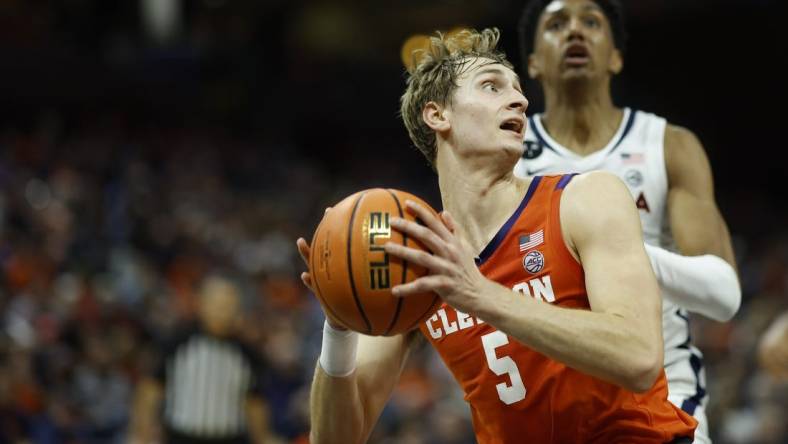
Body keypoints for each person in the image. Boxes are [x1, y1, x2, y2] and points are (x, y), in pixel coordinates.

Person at [297, 28, 696, 443]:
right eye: (491, 86)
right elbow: (335, 439)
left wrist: (479, 294)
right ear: (438, 116)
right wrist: (339, 324)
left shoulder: (585, 198)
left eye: (519, 90)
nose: (521, 101)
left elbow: (639, 357)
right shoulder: (417, 257)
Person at [513, 1, 741, 441]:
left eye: (591, 23)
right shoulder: (507, 152)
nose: (575, 32)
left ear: (615, 56)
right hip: (550, 395)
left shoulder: (668, 145)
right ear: (534, 63)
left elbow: (722, 295)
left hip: (663, 391)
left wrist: (609, 252)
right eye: (557, 24)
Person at [129, 275, 276, 444]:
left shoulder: (247, 353)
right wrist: (141, 434)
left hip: (230, 439)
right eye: (218, 305)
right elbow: (150, 390)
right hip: (181, 438)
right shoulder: (177, 343)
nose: (224, 312)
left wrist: (263, 438)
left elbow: (255, 403)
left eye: (229, 305)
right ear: (202, 304)